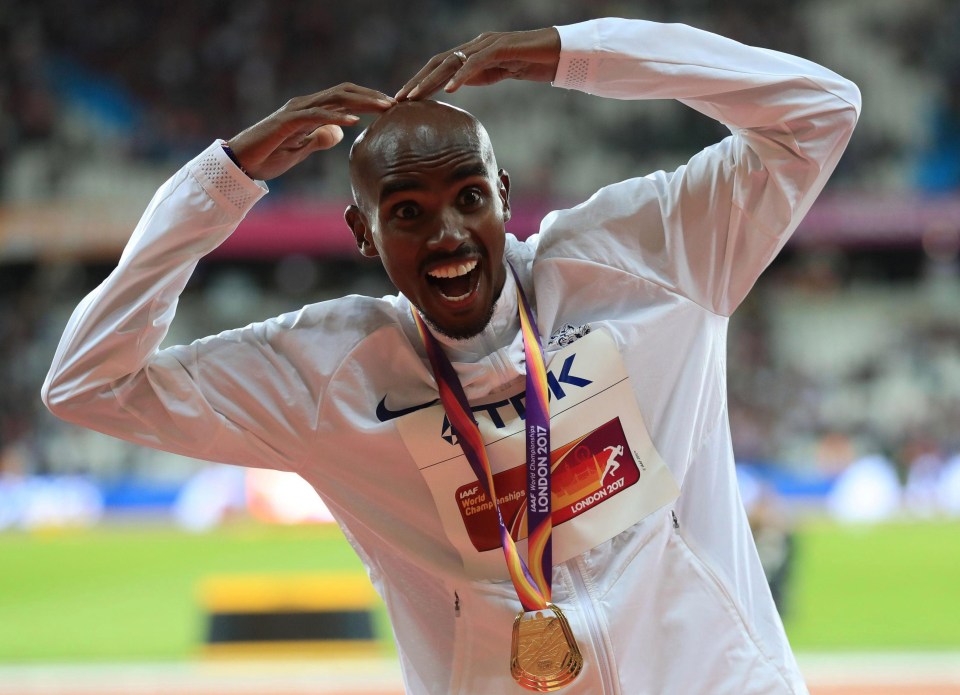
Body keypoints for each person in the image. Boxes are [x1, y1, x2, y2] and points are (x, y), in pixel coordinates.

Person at [42, 17, 859, 694]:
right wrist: (226, 177)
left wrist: (572, 54)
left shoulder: (640, 264)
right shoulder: (331, 373)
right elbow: (86, 380)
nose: (448, 235)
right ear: (363, 233)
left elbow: (822, 109)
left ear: (505, 193)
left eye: (470, 196)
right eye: (405, 210)